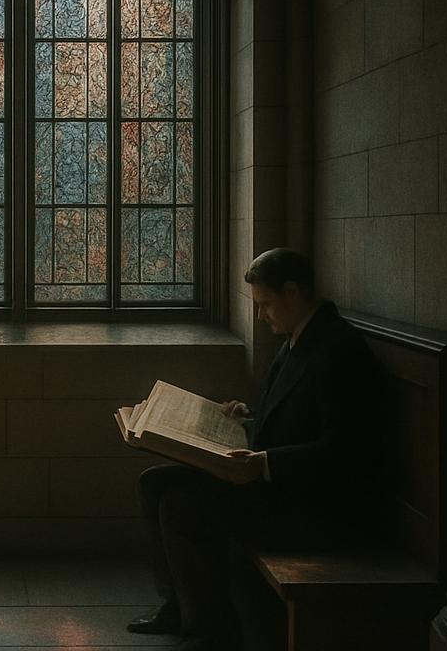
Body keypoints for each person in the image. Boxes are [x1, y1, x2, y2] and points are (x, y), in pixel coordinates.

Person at [129, 248, 381, 651]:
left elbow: (344, 451)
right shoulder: (301, 335)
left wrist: (263, 463)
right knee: (154, 483)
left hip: (310, 501)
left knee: (181, 506)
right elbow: (298, 414)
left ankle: (211, 629)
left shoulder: (338, 351)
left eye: (265, 304)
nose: (262, 316)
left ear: (292, 292)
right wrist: (247, 418)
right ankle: (179, 605)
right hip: (277, 479)